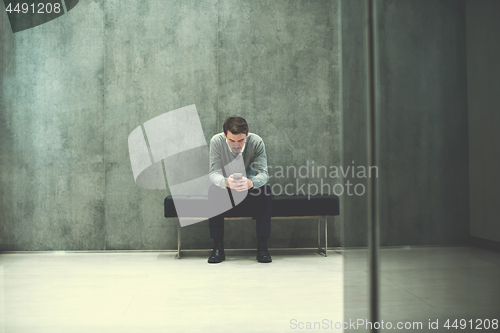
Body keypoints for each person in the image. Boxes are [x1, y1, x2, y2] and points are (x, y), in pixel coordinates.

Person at [207, 116, 272, 264]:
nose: (236, 145)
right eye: (231, 140)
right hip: (226, 185)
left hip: (249, 184)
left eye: (241, 140)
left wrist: (251, 182)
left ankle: (262, 246)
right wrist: (225, 182)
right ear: (225, 135)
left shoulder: (256, 142)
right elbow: (213, 173)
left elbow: (264, 173)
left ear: (247, 134)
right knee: (213, 191)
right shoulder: (216, 141)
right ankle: (218, 246)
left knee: (265, 191)